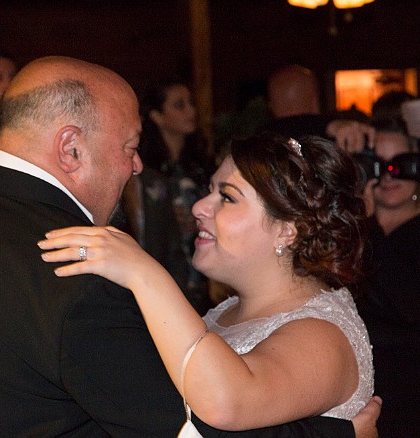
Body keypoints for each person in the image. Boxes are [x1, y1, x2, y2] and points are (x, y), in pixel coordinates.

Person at [0, 57, 379, 437]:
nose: (136, 167)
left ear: (289, 228)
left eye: (227, 197)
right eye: (129, 147)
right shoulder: (73, 268)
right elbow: (184, 431)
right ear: (71, 147)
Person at [39, 133, 376, 433]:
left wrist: (146, 275)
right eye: (209, 192)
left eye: (227, 198)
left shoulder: (323, 334)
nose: (200, 206)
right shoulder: (225, 311)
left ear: (288, 229)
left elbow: (227, 403)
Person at [351, 124, 420, 437]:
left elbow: (407, 302)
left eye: (400, 164)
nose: (389, 176)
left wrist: (366, 225)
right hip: (354, 390)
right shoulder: (351, 230)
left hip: (409, 392)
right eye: (378, 166)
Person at [139, 76, 216, 314]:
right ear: (157, 116)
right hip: (165, 266)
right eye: (179, 105)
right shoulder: (145, 168)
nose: (191, 111)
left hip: (203, 266)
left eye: (191, 103)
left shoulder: (200, 162)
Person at [111, 166, 189, 293]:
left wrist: (176, 294)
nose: (137, 161)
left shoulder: (155, 182)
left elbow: (173, 247)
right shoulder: (101, 185)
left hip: (159, 288)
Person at [265, 64, 375, 152]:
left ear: (271, 105)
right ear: (315, 101)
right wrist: (329, 126)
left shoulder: (260, 150)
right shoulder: (327, 144)